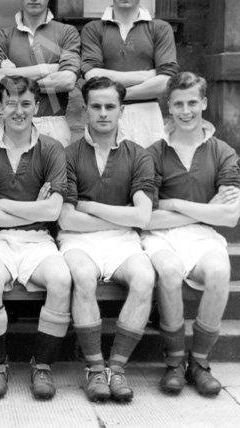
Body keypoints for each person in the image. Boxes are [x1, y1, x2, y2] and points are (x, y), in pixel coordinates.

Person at [0, 75, 71, 400]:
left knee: (61, 279)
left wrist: (0, 202)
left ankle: (42, 366)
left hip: (39, 239)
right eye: (10, 103)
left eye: (25, 103)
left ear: (36, 106)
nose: (18, 110)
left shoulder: (52, 148)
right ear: (0, 106)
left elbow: (53, 212)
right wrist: (34, 206)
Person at [142, 72, 240, 396]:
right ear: (168, 106)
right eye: (179, 104)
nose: (186, 111)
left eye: (192, 103)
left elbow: (229, 215)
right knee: (168, 272)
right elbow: (146, 218)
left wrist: (175, 203)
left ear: (204, 103)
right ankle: (173, 362)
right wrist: (203, 207)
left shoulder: (222, 151)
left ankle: (199, 362)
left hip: (202, 235)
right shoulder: (153, 152)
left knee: (219, 271)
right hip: (161, 236)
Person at [58, 76, 156, 402]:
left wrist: (91, 206)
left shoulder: (138, 154)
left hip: (122, 240)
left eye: (110, 106)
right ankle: (95, 368)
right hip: (77, 240)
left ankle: (118, 368)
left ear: (121, 110)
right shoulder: (68, 154)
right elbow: (66, 218)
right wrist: (118, 211)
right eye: (96, 106)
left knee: (144, 276)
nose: (103, 113)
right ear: (84, 110)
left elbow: (142, 216)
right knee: (82, 276)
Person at [80, 0, 178, 148]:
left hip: (147, 116)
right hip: (107, 114)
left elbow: (165, 83)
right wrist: (147, 75)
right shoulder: (94, 29)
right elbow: (92, 76)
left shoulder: (160, 28)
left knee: (148, 173)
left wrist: (116, 94)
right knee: (106, 171)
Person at [0, 0, 80, 147]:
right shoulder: (3, 37)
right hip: (11, 122)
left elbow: (68, 81)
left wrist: (14, 77)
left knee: (53, 177)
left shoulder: (66, 32)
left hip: (53, 124)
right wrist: (49, 68)